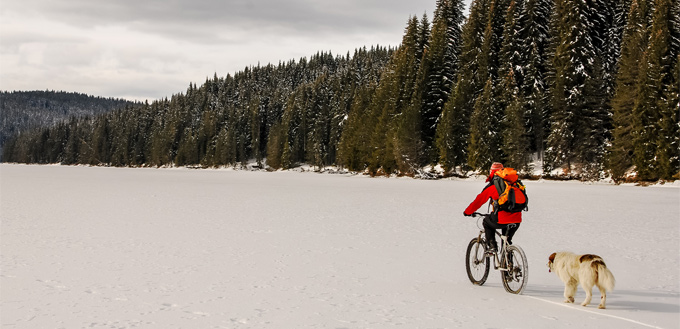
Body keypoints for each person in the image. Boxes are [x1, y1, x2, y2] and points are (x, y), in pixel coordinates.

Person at [463, 162, 521, 253]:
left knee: (486, 222)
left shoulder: (494, 186)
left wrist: (467, 212)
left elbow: (479, 201)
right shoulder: (514, 184)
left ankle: (492, 246)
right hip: (517, 219)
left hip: (501, 218)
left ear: (491, 172)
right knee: (507, 242)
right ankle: (509, 265)